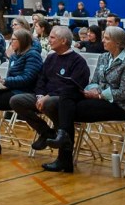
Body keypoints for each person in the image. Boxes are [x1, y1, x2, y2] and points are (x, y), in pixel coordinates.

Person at [8, 26, 91, 173]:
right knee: (16, 100)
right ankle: (46, 132)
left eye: (52, 38)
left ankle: (64, 159)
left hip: (63, 100)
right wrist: (40, 95)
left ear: (64, 41)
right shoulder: (51, 57)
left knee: (53, 104)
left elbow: (72, 87)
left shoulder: (78, 62)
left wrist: (48, 96)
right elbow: (41, 79)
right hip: (43, 97)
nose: (49, 41)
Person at [0, 29, 43, 154]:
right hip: (14, 88)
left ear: (22, 41)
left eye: (13, 39)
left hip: (24, 93)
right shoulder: (15, 55)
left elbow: (28, 79)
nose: (10, 42)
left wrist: (5, 81)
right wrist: (1, 80)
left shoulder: (33, 55)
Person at [72, 25, 125, 137]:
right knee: (70, 99)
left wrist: (100, 95)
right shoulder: (103, 57)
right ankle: (63, 135)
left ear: (117, 43)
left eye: (106, 38)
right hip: (99, 99)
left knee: (79, 108)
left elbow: (124, 93)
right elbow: (95, 80)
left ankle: (65, 137)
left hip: (119, 106)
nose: (102, 41)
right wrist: (92, 90)